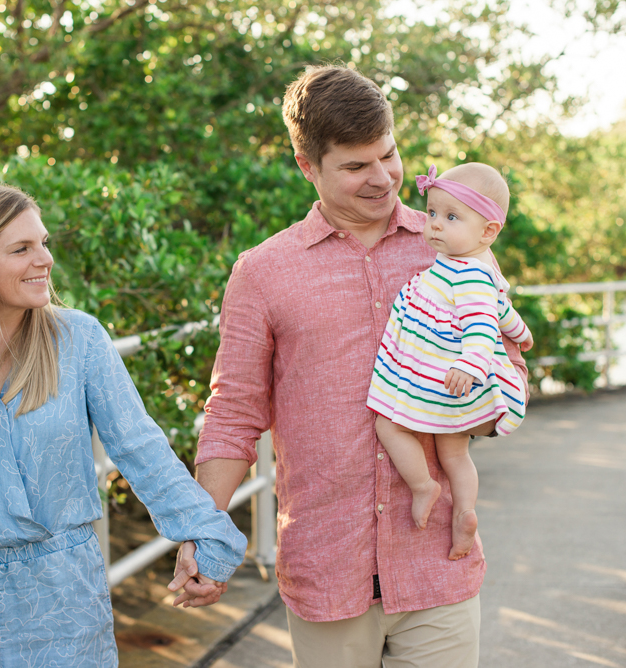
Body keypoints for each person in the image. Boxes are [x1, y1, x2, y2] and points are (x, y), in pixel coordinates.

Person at [173, 65, 529, 666]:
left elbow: (510, 357)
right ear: (308, 166)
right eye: (356, 166)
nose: (383, 178)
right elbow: (233, 412)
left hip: (437, 562)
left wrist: (478, 412)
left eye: (388, 155)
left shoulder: (453, 243)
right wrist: (202, 533)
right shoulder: (262, 273)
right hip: (326, 567)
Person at [0, 183, 247, 668]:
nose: (44, 259)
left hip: (65, 605)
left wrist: (210, 539)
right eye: (21, 248)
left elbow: (142, 451)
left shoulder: (79, 339)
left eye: (43, 243)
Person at [368, 162, 533, 563]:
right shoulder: (472, 270)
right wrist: (523, 334)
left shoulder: (469, 277)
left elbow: (480, 328)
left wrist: (472, 365)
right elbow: (501, 312)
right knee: (456, 454)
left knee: (386, 423)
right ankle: (464, 513)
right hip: (454, 387)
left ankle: (422, 485)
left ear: (488, 231)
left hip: (448, 382)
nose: (436, 225)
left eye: (452, 217)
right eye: (433, 213)